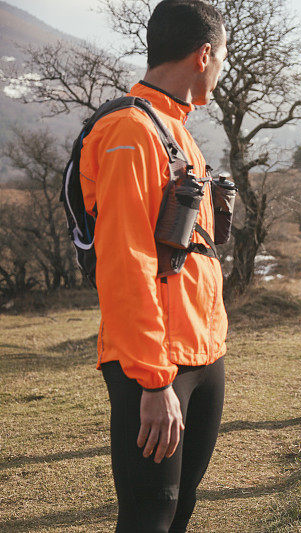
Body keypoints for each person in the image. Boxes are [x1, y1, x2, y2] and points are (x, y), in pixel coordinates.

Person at [78, 2, 228, 531]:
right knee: (150, 519)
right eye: (221, 57)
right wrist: (153, 380)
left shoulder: (176, 129)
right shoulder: (129, 131)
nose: (221, 69)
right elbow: (124, 261)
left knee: (180, 510)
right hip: (157, 365)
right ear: (203, 53)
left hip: (203, 354)